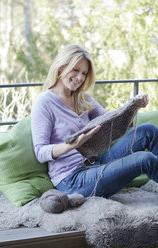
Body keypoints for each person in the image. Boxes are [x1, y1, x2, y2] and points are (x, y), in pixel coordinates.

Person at [31, 44, 158, 199]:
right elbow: (40, 152)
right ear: (61, 67)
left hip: (97, 164)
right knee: (144, 159)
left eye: (84, 73)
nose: (80, 78)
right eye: (75, 70)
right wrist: (73, 145)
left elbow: (113, 122)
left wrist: (133, 107)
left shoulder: (83, 99)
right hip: (73, 180)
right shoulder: (44, 102)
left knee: (148, 131)